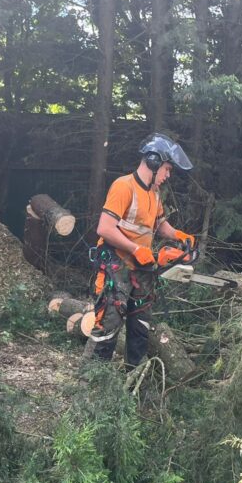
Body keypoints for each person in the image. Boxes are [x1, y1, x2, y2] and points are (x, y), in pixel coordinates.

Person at [89, 133, 196, 366]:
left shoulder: (154, 193)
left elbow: (159, 224)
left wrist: (178, 235)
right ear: (153, 161)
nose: (168, 175)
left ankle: (133, 384)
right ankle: (91, 387)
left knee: (140, 328)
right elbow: (105, 228)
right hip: (115, 264)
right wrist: (135, 248)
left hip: (140, 268)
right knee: (108, 325)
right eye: (167, 169)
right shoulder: (123, 186)